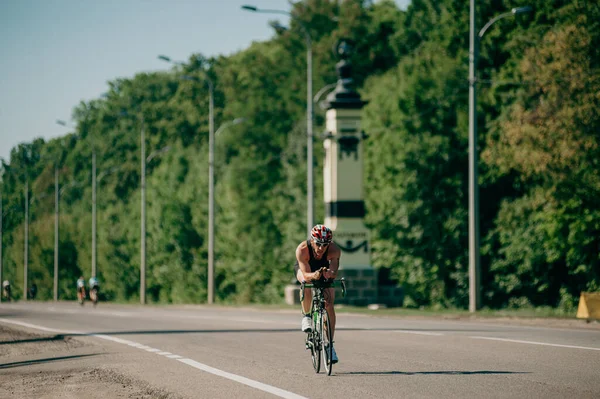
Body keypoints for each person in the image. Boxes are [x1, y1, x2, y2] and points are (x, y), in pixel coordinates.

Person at [294, 224, 341, 364]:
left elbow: (333, 272)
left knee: (329, 304)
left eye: (325, 244)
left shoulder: (334, 250)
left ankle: (330, 345)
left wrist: (329, 275)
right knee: (305, 284)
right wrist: (314, 275)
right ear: (312, 241)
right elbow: (307, 275)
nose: (321, 248)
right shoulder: (302, 250)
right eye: (319, 244)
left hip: (323, 270)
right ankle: (307, 316)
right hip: (306, 270)